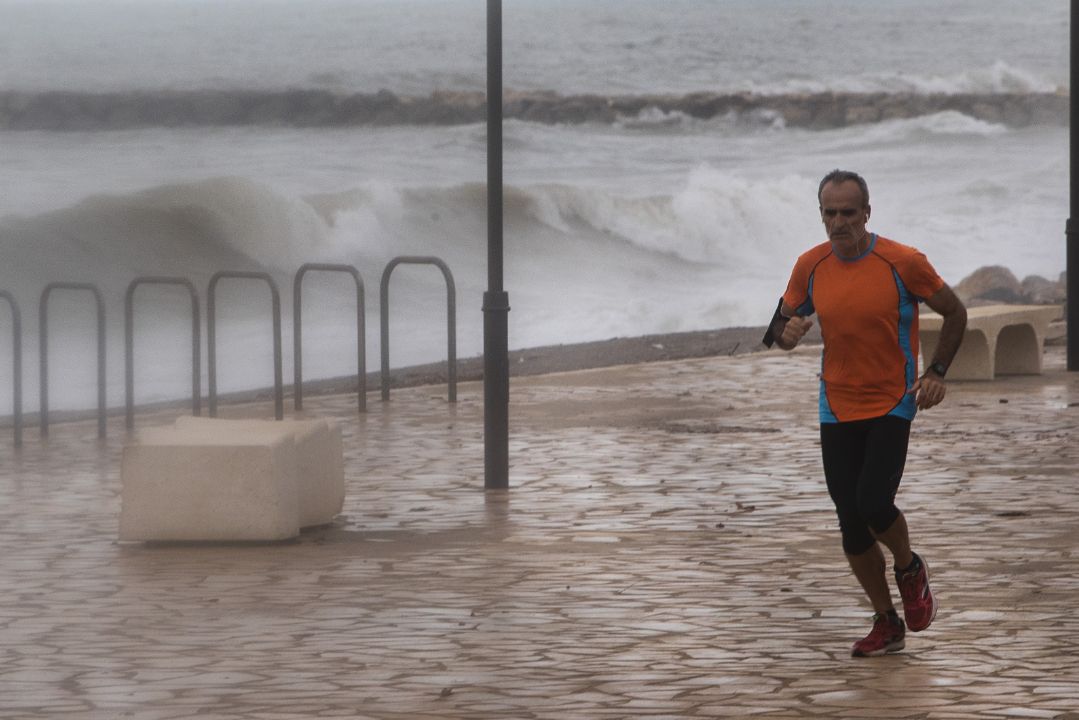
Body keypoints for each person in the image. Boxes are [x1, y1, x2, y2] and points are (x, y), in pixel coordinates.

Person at [763, 169, 967, 657]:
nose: (838, 223)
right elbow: (778, 325)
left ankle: (909, 566)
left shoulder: (902, 262)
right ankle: (886, 621)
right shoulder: (810, 265)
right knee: (850, 521)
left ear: (867, 214)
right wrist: (784, 336)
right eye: (829, 213)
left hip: (893, 401)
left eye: (848, 213)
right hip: (836, 405)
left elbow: (955, 312)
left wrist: (936, 371)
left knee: (874, 502)